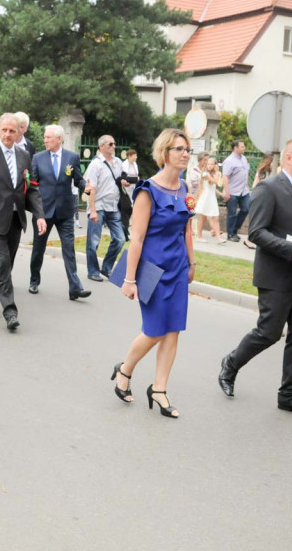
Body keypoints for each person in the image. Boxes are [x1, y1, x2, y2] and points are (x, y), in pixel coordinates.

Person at [217, 139, 292, 419]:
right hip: (275, 275)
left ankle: (290, 396)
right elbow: (256, 232)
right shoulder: (268, 188)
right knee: (269, 333)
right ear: (288, 158)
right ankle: (231, 363)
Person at [112, 128, 195, 418]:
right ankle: (124, 369)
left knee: (173, 331)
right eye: (179, 149)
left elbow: (187, 229)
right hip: (152, 270)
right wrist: (130, 279)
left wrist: (192, 263)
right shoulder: (147, 190)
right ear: (164, 153)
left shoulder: (184, 189)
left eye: (187, 150)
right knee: (154, 331)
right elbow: (136, 238)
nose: (185, 154)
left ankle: (159, 389)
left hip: (178, 268)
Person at [0, 113, 45, 331]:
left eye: (12, 131)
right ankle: (10, 311)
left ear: (19, 132)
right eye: (4, 130)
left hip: (16, 219)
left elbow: (31, 187)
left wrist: (40, 215)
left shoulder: (24, 156)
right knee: (2, 264)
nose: (7, 134)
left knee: (6, 264)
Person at [28, 124, 92, 300]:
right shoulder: (38, 158)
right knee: (38, 249)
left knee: (69, 249)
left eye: (48, 137)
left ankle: (75, 288)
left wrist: (85, 187)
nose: (45, 140)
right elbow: (33, 186)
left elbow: (78, 179)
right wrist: (36, 210)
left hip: (65, 212)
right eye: (45, 137)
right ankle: (34, 280)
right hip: (43, 212)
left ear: (59, 139)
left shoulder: (72, 157)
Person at [84, 134, 126, 282]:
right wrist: (93, 210)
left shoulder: (118, 162)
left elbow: (120, 179)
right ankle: (93, 271)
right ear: (101, 147)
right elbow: (90, 188)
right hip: (99, 205)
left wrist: (125, 182)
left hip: (113, 206)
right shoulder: (95, 165)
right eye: (110, 144)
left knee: (120, 239)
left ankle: (106, 268)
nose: (113, 146)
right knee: (94, 241)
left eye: (114, 144)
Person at [221, 140, 251, 242]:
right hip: (232, 191)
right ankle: (230, 234)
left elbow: (245, 173)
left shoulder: (244, 159)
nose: (244, 148)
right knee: (232, 213)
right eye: (242, 146)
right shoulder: (229, 161)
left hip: (244, 191)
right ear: (235, 148)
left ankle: (234, 230)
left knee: (246, 209)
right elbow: (225, 177)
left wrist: (247, 186)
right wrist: (227, 191)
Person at [192, 154, 224, 242]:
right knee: (203, 218)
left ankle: (218, 238)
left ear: (215, 165)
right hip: (205, 198)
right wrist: (217, 172)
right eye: (208, 164)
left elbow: (214, 188)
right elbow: (214, 182)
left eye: (211, 164)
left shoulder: (213, 174)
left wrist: (221, 194)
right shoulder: (205, 174)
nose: (209, 165)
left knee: (216, 218)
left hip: (211, 198)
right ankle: (199, 235)